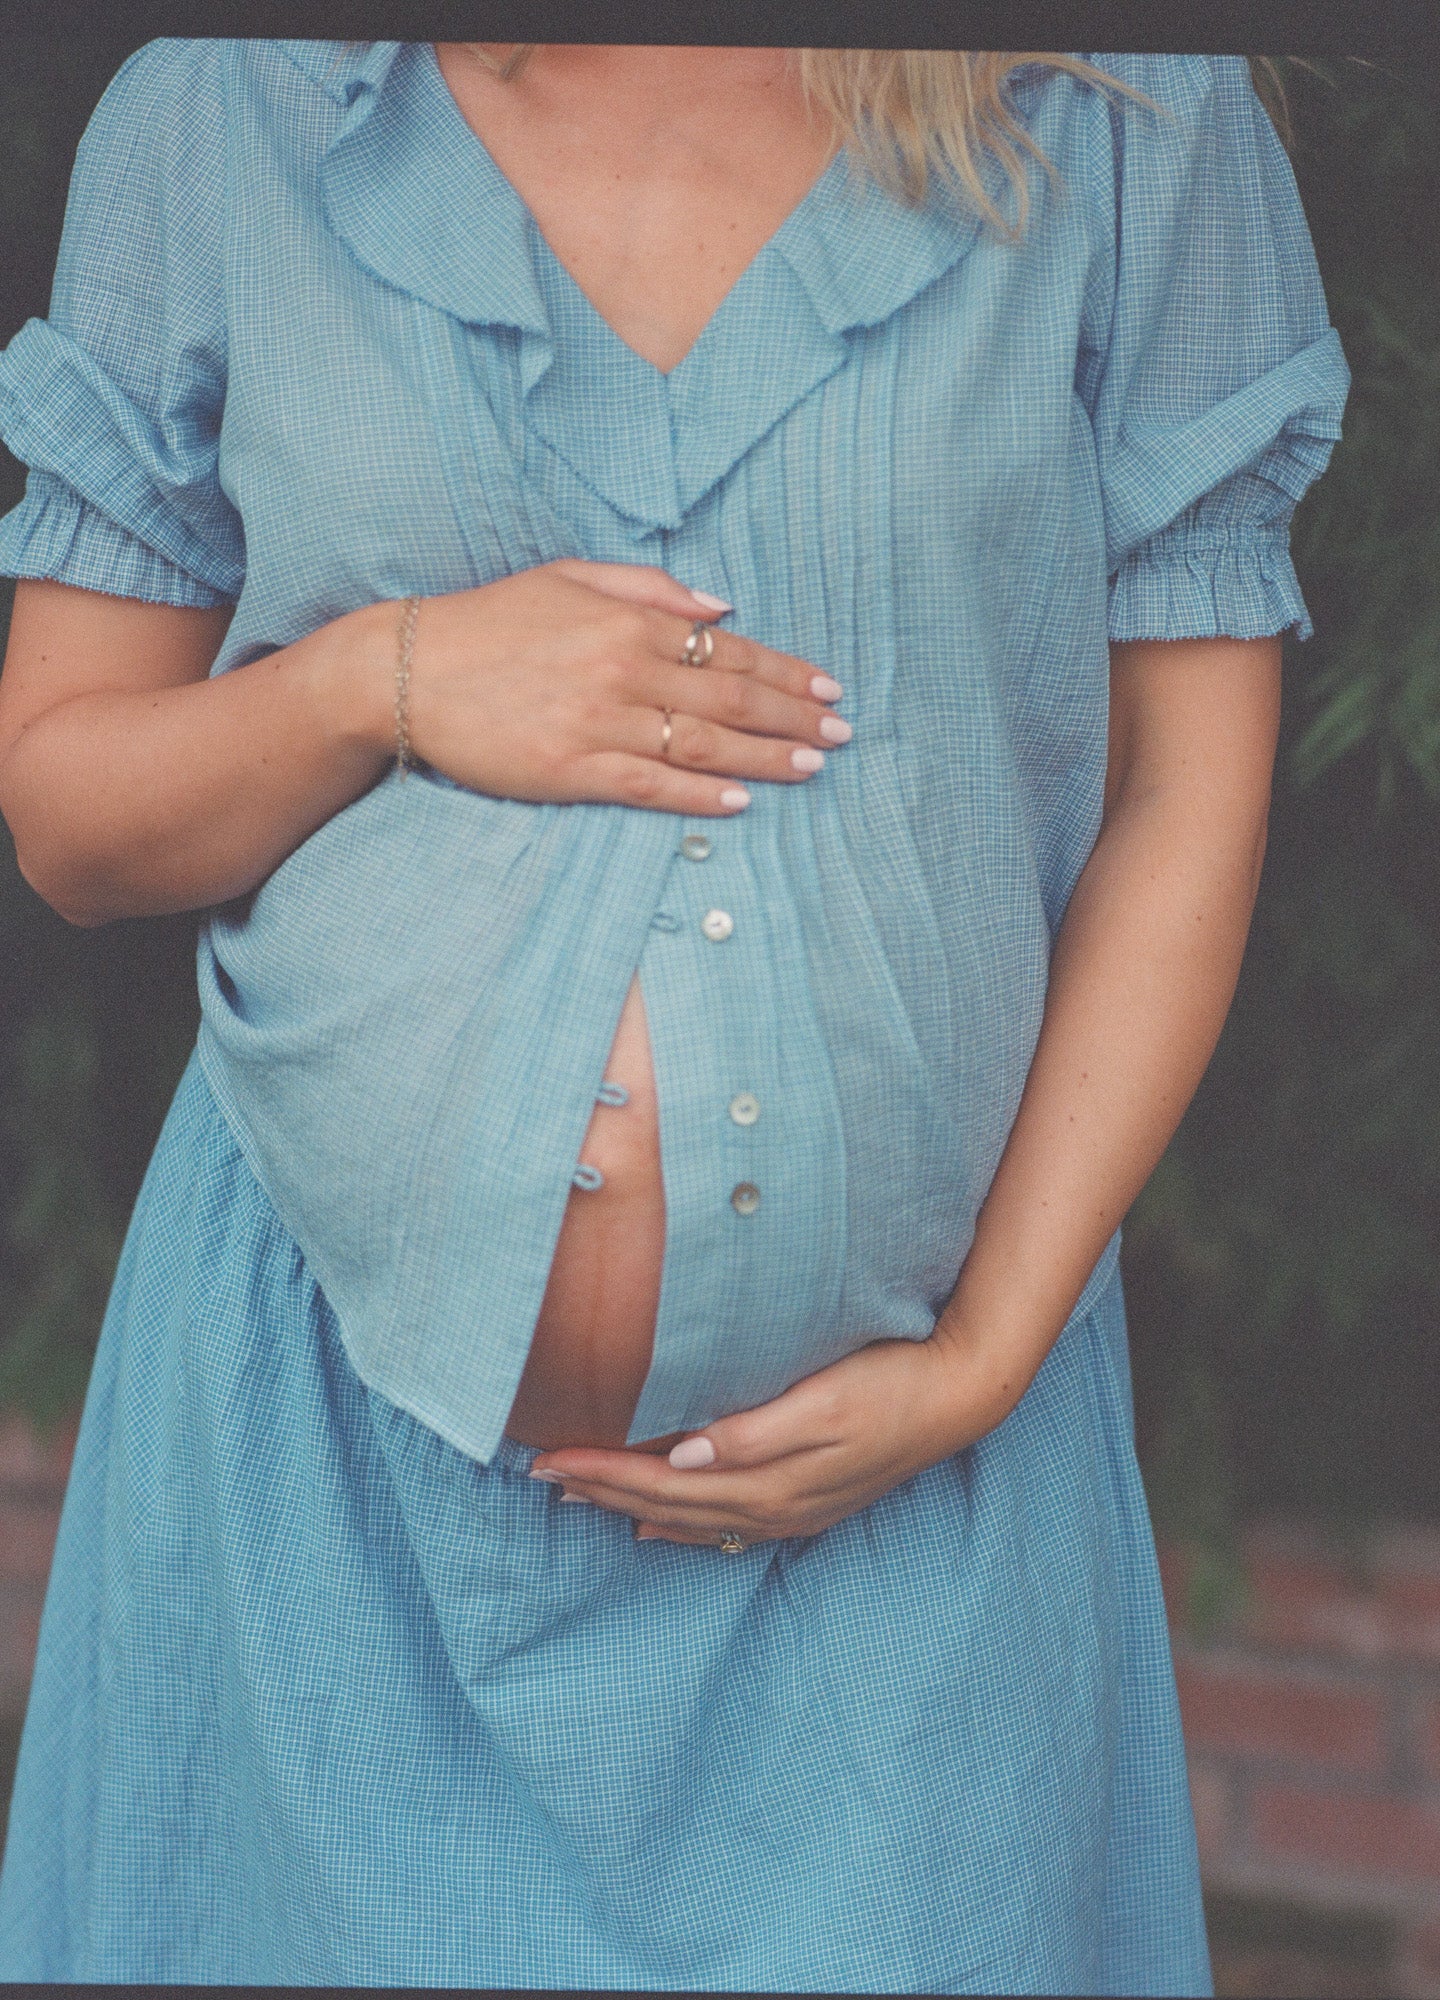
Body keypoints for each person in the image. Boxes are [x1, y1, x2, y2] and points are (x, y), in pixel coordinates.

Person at [0, 38, 1348, 1993]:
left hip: (907, 1525)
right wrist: (381, 679)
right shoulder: (235, 112)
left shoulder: (1122, 117)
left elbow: (1184, 804)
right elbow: (63, 812)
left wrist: (981, 1358)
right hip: (325, 1494)